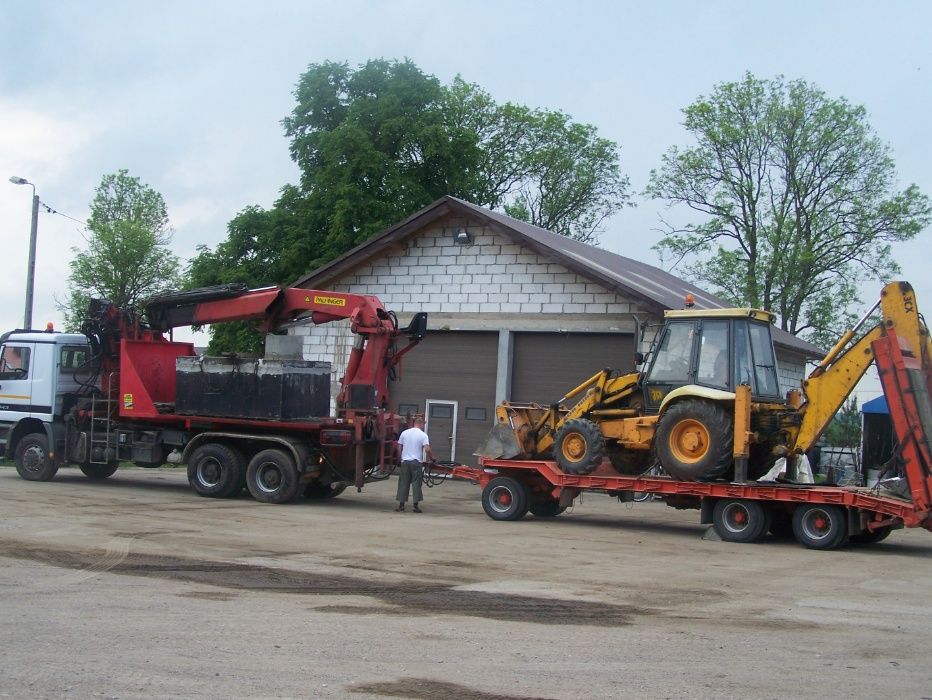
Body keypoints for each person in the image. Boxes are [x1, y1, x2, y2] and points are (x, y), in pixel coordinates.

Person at [395, 415, 434, 513]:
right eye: (423, 425)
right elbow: (427, 448)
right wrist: (432, 458)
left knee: (403, 483)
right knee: (416, 483)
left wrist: (400, 458)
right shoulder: (423, 435)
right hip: (416, 463)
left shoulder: (404, 433)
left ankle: (401, 505)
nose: (423, 427)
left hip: (405, 461)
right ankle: (415, 506)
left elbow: (399, 447)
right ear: (420, 424)